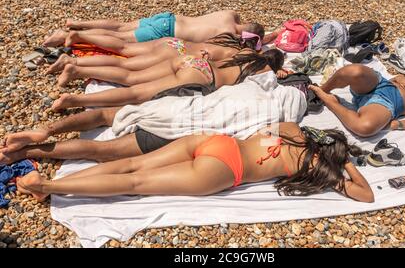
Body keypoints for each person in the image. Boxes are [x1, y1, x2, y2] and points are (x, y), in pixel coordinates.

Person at [17, 123, 375, 203]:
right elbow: (366, 196)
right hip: (222, 171)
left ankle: (50, 181)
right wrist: (346, 166)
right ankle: (45, 187)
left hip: (214, 141)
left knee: (133, 167)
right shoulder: (315, 168)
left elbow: (271, 129)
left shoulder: (294, 131)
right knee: (135, 185)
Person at [0, 71, 307, 164]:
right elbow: (264, 142)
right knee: (104, 153)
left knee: (107, 115)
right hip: (187, 128)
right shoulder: (282, 117)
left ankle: (46, 129)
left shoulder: (258, 85)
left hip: (182, 104)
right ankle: (25, 153)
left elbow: (261, 76)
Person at [50, 49, 286, 111]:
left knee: (132, 77)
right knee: (137, 95)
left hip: (193, 62)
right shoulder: (265, 71)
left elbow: (212, 54)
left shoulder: (246, 52)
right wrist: (277, 75)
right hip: (204, 78)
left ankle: (77, 70)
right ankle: (74, 100)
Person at [309, 64, 405, 137]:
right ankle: (320, 90)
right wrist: (398, 77)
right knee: (353, 71)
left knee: (365, 128)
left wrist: (399, 125)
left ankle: (330, 101)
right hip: (384, 84)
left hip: (389, 103)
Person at [46, 32, 264, 77]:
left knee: (123, 48)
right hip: (176, 53)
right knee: (125, 66)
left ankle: (79, 37)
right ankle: (74, 64)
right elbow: (207, 56)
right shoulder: (236, 55)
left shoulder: (226, 38)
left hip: (175, 42)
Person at [43, 10, 265, 46]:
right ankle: (74, 35)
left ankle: (77, 24)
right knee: (120, 38)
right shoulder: (227, 35)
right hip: (166, 32)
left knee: (120, 26)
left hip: (167, 18)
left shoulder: (229, 15)